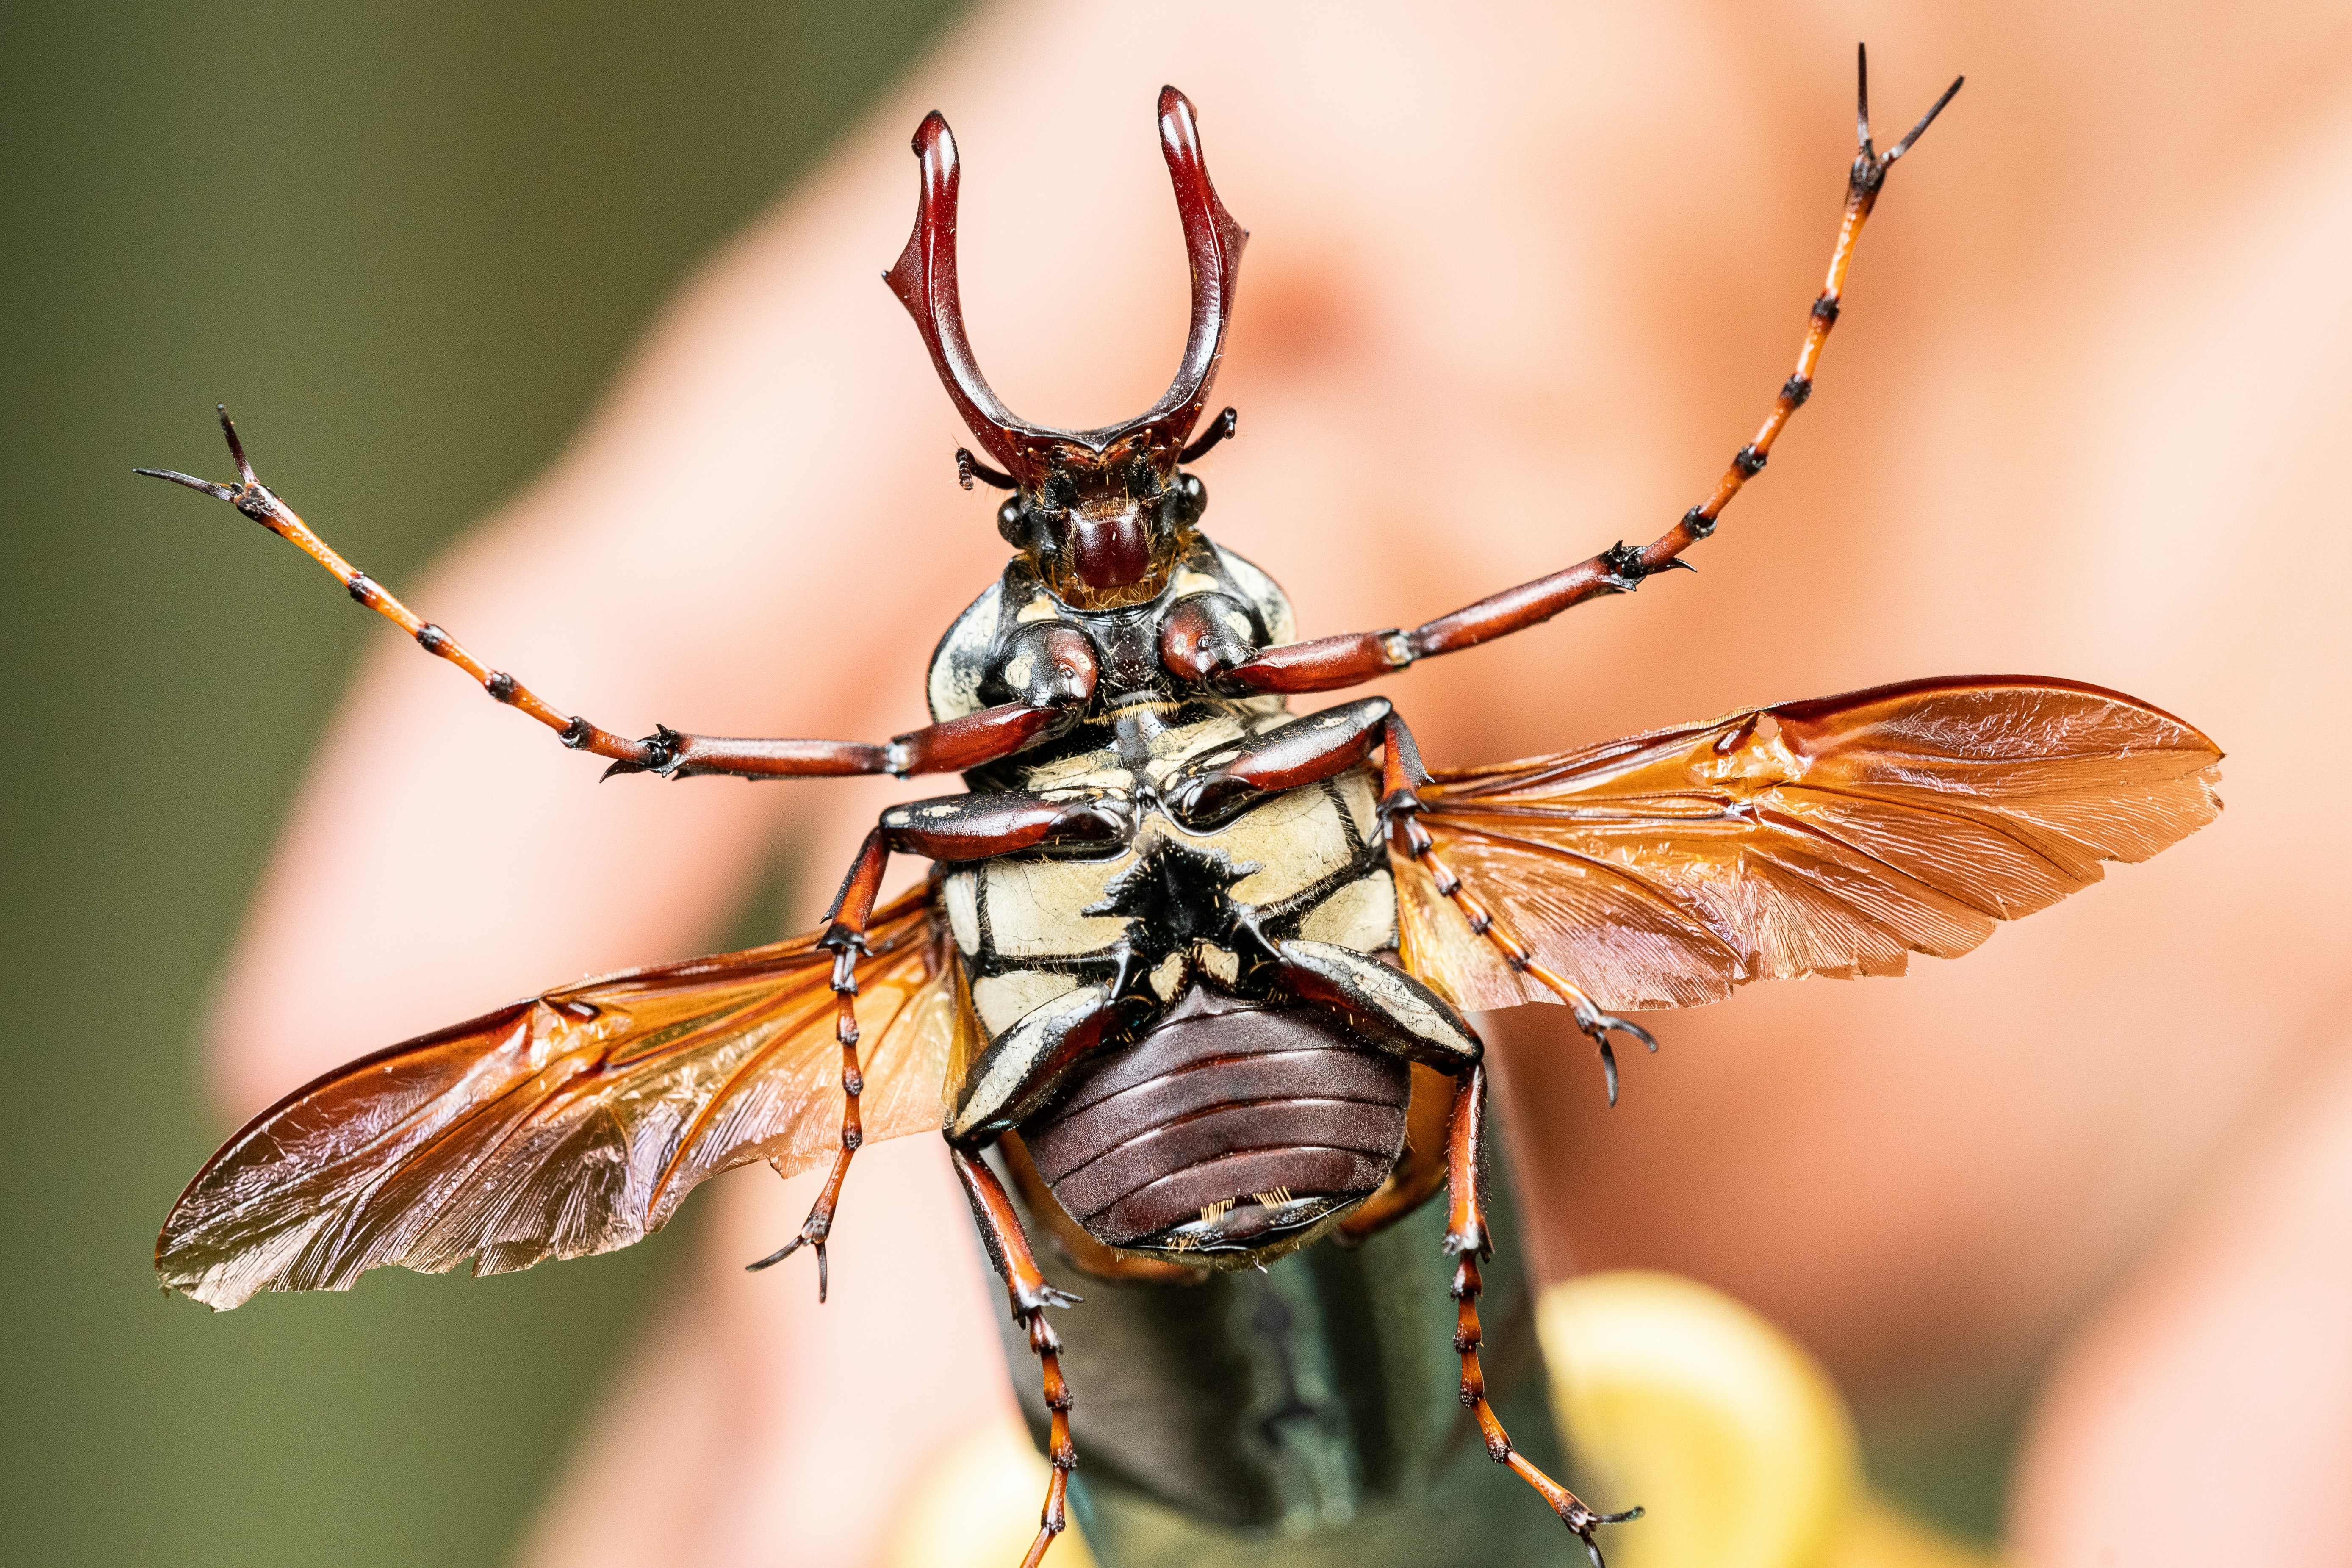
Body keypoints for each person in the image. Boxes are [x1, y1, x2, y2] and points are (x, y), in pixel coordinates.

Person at [198, 5, 2352, 1564]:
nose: (1122, 589)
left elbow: (1654, 623)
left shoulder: (1264, 741)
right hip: (1226, 1113)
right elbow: (678, 794)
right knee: (956, 1060)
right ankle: (1139, 1437)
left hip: (1228, 1112)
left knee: (1376, 983)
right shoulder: (957, 819)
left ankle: (1398, 1414)